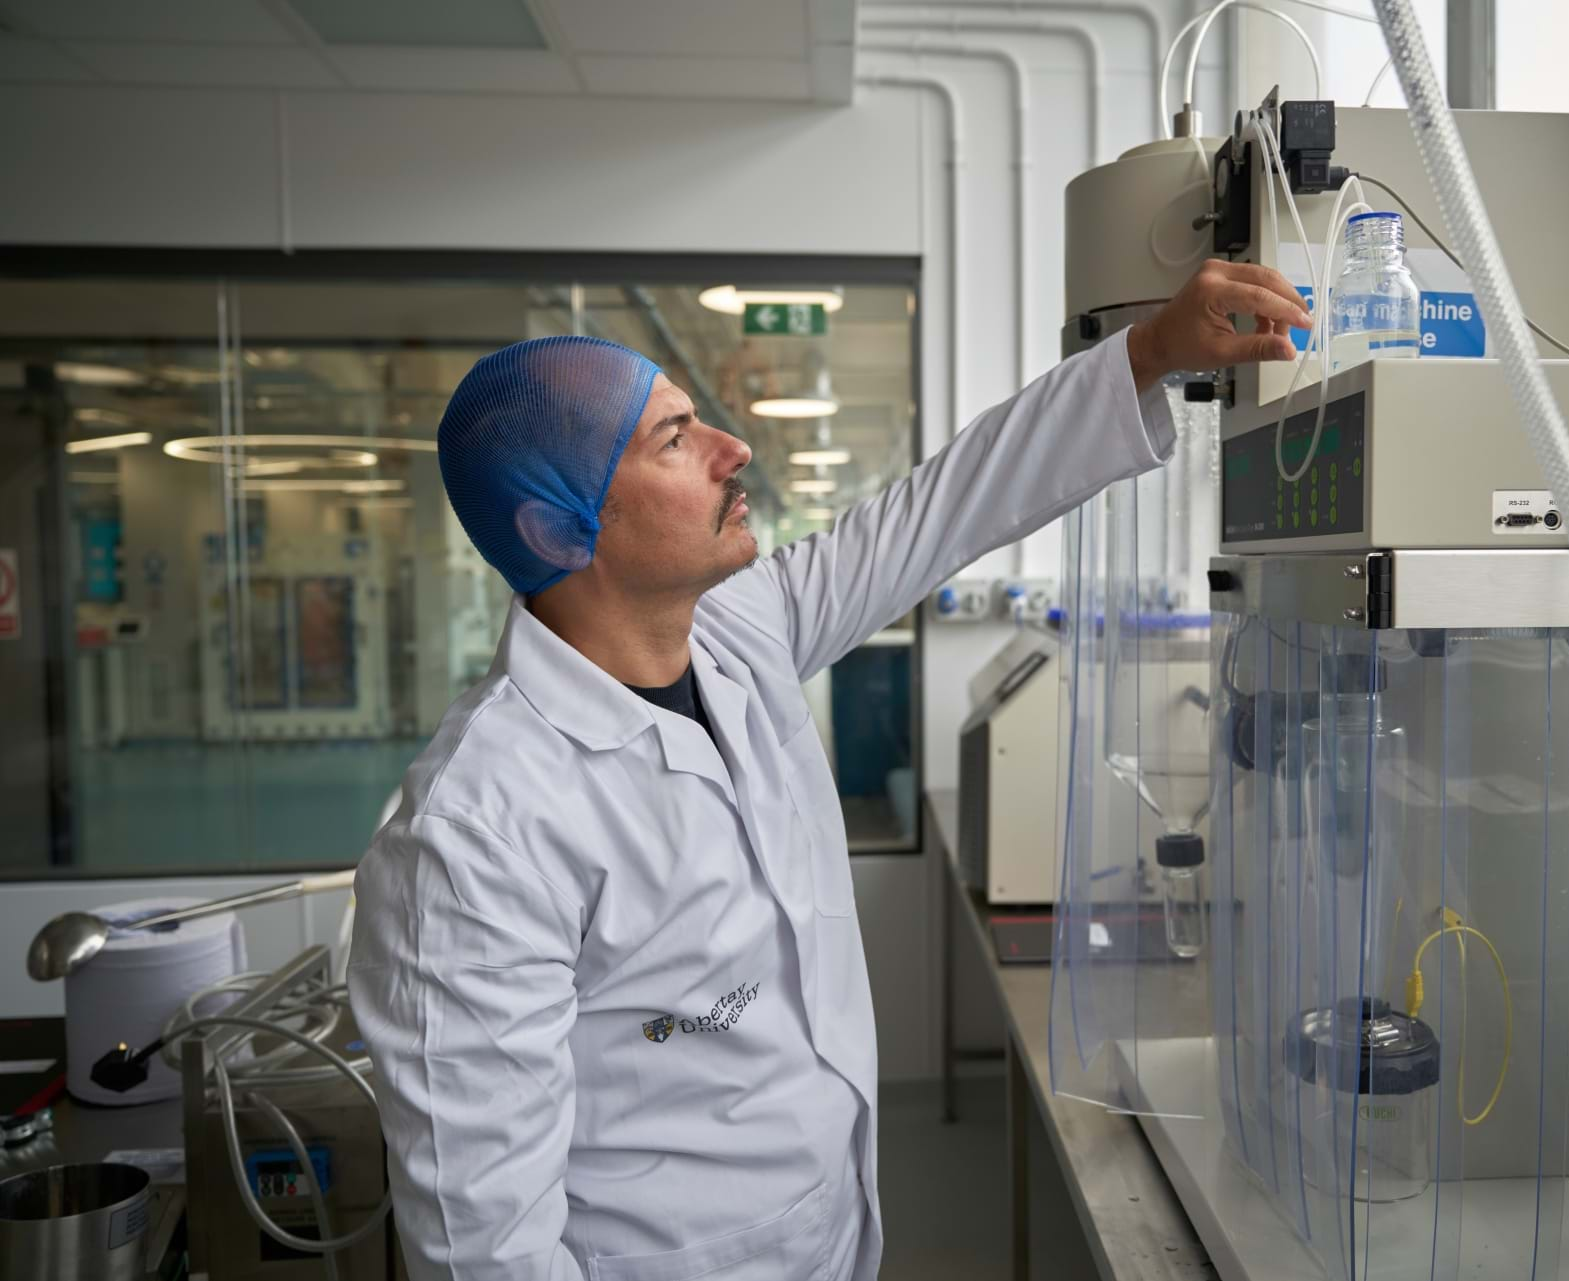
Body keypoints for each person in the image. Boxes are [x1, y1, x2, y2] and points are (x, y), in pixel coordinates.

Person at [347, 260, 1308, 1281]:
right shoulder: (477, 829)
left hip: (832, 1237)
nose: (732, 448)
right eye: (675, 439)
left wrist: (1154, 354)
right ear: (558, 527)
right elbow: (484, 1248)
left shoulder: (736, 634)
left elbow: (943, 506)